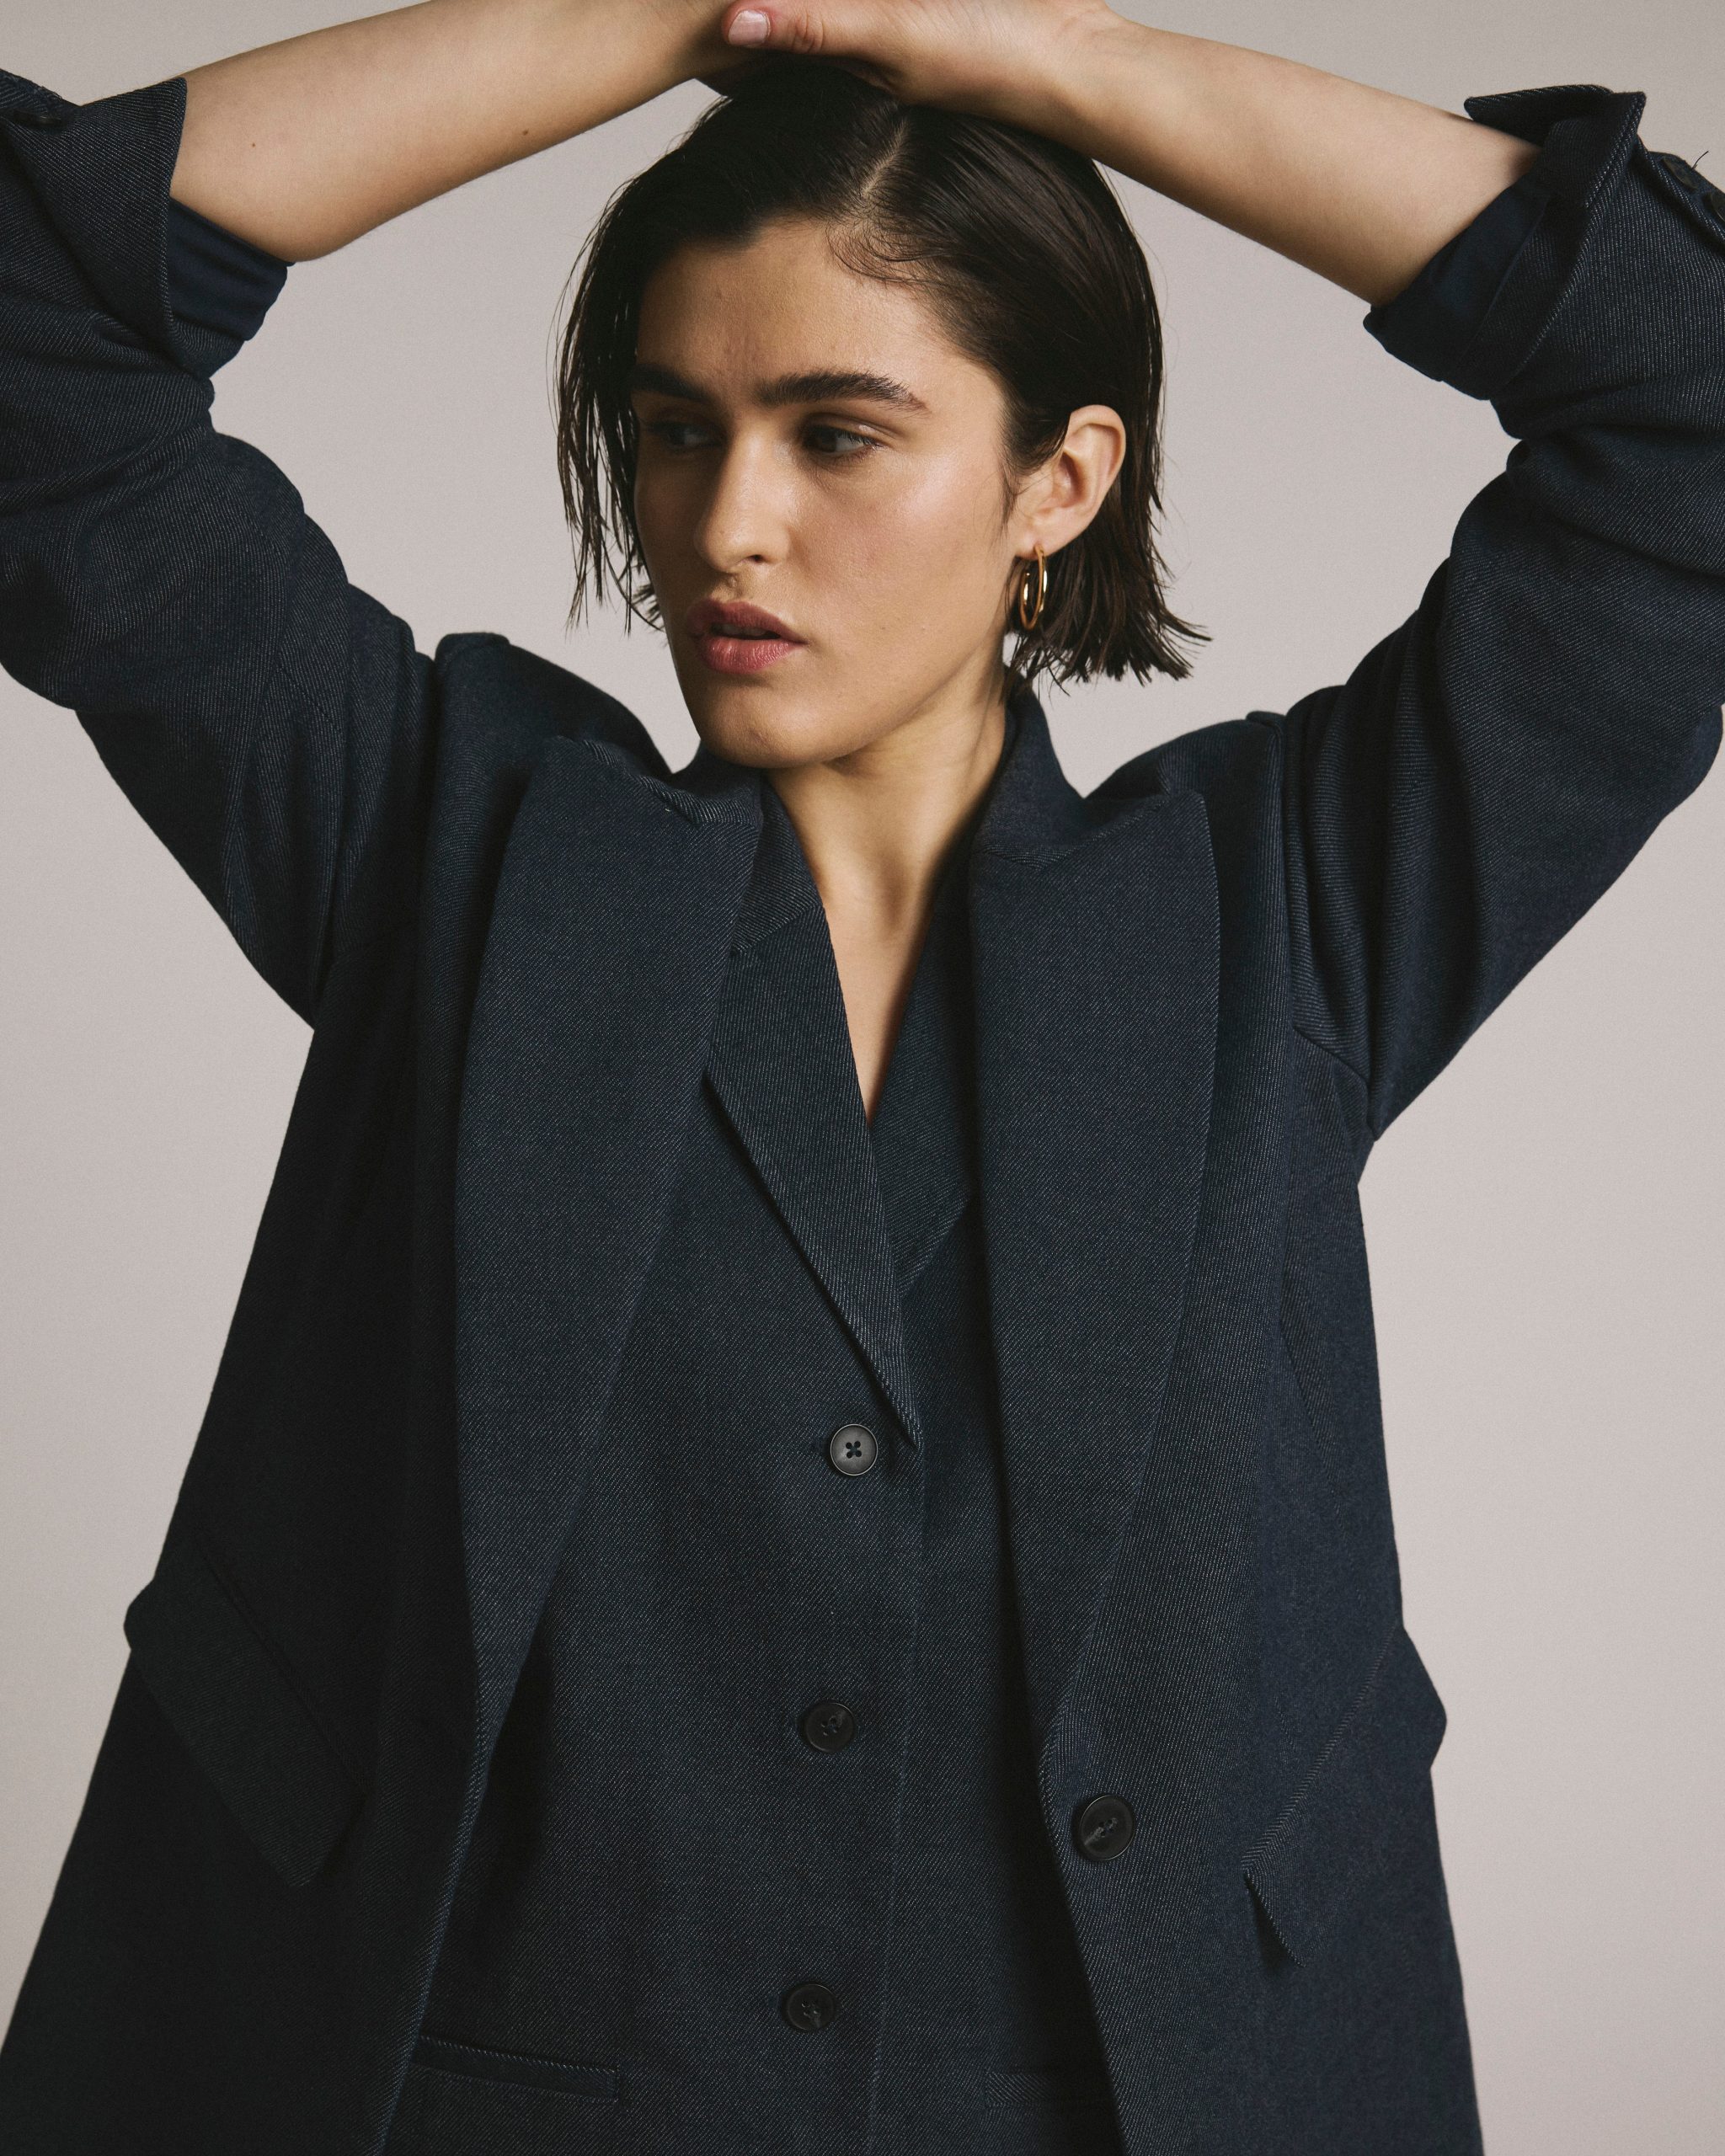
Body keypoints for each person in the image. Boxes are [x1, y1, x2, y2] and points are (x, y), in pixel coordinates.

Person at [0, 3, 1718, 2150]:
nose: (726, 524)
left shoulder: (1277, 916)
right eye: (673, 426)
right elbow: (29, 312)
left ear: (1055, 479)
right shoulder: (450, 856)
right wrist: (674, 17)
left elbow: (1687, 398)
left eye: (837, 433)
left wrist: (1048, 58)